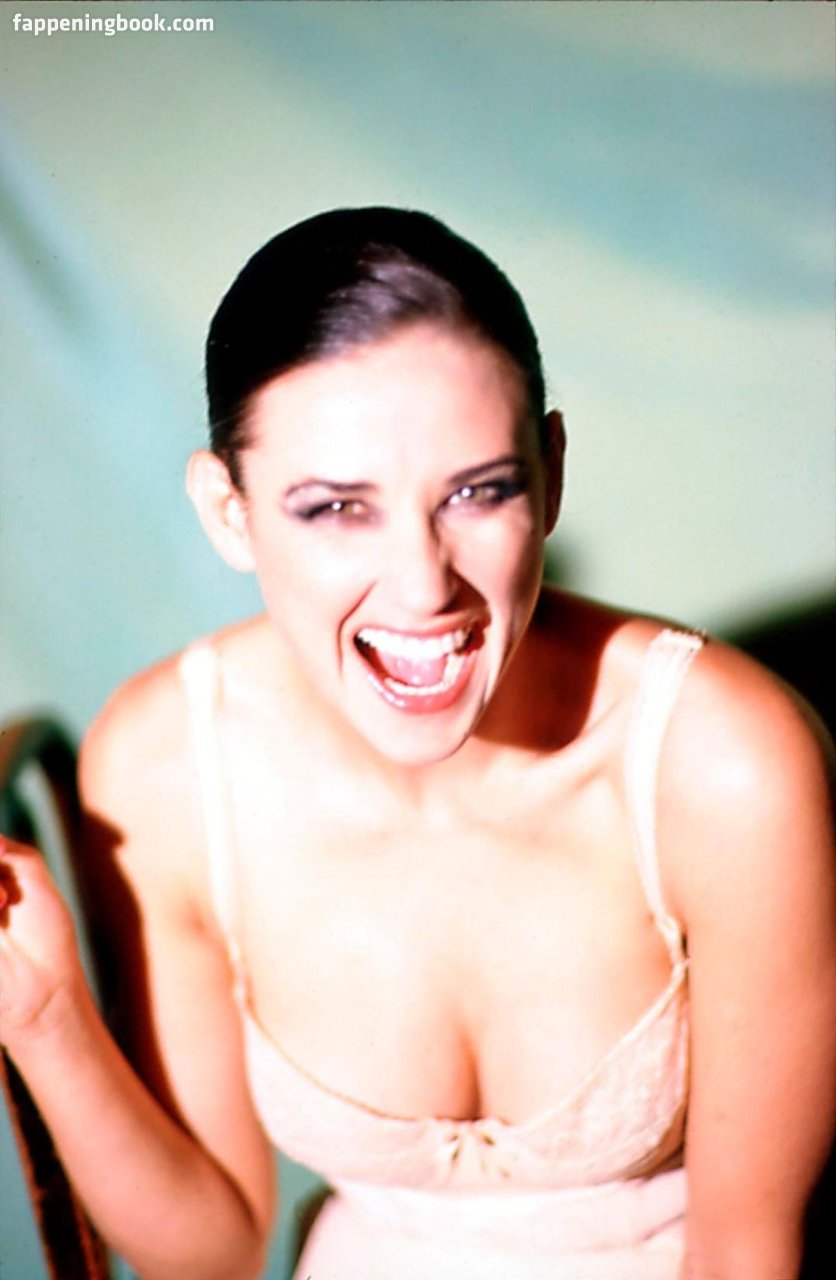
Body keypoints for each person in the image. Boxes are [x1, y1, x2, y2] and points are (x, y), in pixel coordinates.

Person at [1, 207, 834, 1280]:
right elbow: (211, 1251)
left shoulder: (724, 765)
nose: (421, 585)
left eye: (477, 492)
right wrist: (47, 1019)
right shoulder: (165, 766)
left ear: (551, 471)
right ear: (228, 510)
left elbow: (746, 1255)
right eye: (335, 508)